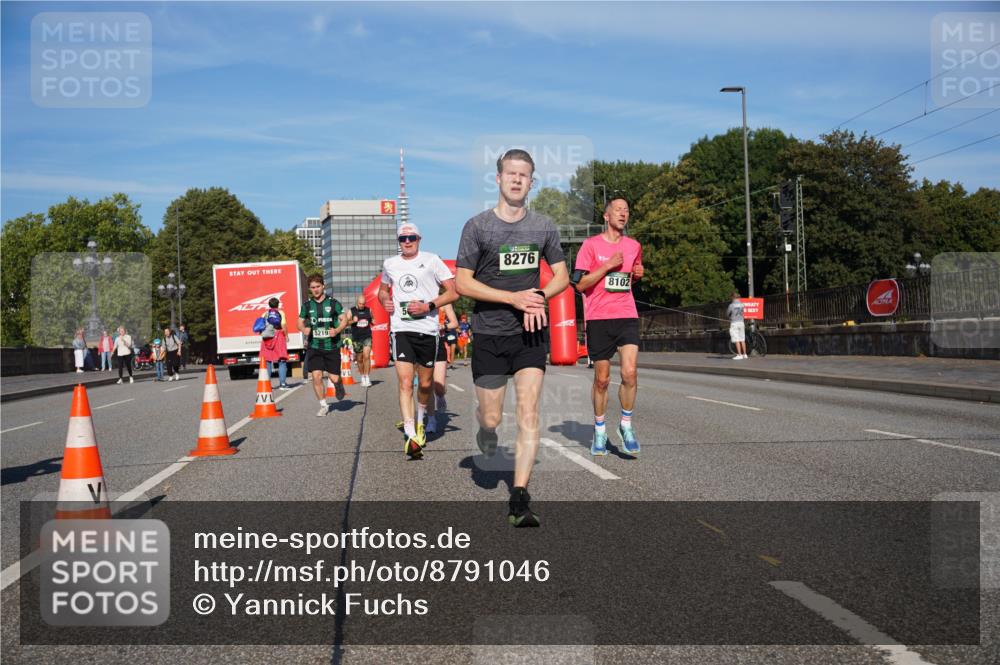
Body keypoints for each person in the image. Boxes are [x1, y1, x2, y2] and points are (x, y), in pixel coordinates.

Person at [455, 148, 569, 527]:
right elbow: (463, 282)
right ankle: (486, 433)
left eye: (524, 175)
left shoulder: (544, 227)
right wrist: (511, 298)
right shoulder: (477, 227)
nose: (517, 180)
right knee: (490, 416)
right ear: (499, 179)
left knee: (528, 412)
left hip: (530, 334)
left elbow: (561, 276)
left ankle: (519, 496)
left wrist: (538, 297)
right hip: (489, 333)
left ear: (531, 182)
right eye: (511, 174)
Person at [573, 196, 644, 457]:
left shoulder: (634, 245)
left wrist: (637, 275)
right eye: (617, 210)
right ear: (606, 216)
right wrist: (606, 265)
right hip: (599, 317)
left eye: (626, 210)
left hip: (626, 313)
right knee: (602, 379)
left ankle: (626, 425)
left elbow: (629, 278)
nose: (623, 214)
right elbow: (579, 284)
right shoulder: (590, 246)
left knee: (630, 373)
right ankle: (600, 428)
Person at [379, 223, 458, 458]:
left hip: (428, 331)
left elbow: (454, 292)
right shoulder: (390, 264)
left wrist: (428, 306)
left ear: (419, 238)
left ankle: (422, 419)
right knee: (405, 382)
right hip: (401, 329)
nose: (407, 241)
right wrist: (385, 300)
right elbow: (383, 291)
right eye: (402, 238)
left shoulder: (432, 260)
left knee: (425, 385)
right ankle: (411, 432)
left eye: (411, 237)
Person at [299, 274, 349, 417]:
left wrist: (337, 330)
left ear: (323, 286)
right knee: (316, 376)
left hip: (331, 347)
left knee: (333, 378)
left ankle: (339, 383)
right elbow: (299, 322)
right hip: (314, 347)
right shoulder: (307, 305)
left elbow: (344, 319)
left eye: (317, 287)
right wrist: (304, 329)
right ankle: (323, 405)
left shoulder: (333, 303)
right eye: (312, 287)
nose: (315, 290)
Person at [426, 302, 460, 436]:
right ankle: (431, 419)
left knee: (439, 386)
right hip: (423, 343)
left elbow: (455, 323)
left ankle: (440, 396)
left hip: (439, 343)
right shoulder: (420, 298)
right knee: (426, 384)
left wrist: (443, 326)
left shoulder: (445, 303)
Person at [260, 297, 290, 390]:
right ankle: (282, 384)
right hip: (278, 336)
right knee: (282, 360)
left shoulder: (265, 313)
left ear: (269, 305)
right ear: (278, 304)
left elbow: (261, 326)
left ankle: (267, 385)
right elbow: (283, 325)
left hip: (267, 338)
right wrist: (286, 335)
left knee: (268, 361)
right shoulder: (280, 313)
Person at [350, 294, 374, 386]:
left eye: (363, 304)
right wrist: (353, 321)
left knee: (366, 356)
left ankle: (367, 377)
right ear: (357, 302)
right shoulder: (351, 311)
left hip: (367, 336)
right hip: (356, 338)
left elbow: (373, 319)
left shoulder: (369, 310)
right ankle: (362, 376)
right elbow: (346, 322)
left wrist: (374, 322)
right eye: (360, 304)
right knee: (359, 359)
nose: (361, 306)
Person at [727, 291, 747, 360]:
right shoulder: (742, 304)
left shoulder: (731, 305)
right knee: (742, 339)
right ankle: (745, 354)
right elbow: (743, 313)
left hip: (734, 323)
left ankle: (739, 354)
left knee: (736, 339)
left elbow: (728, 313)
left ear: (733, 297)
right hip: (741, 322)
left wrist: (730, 317)